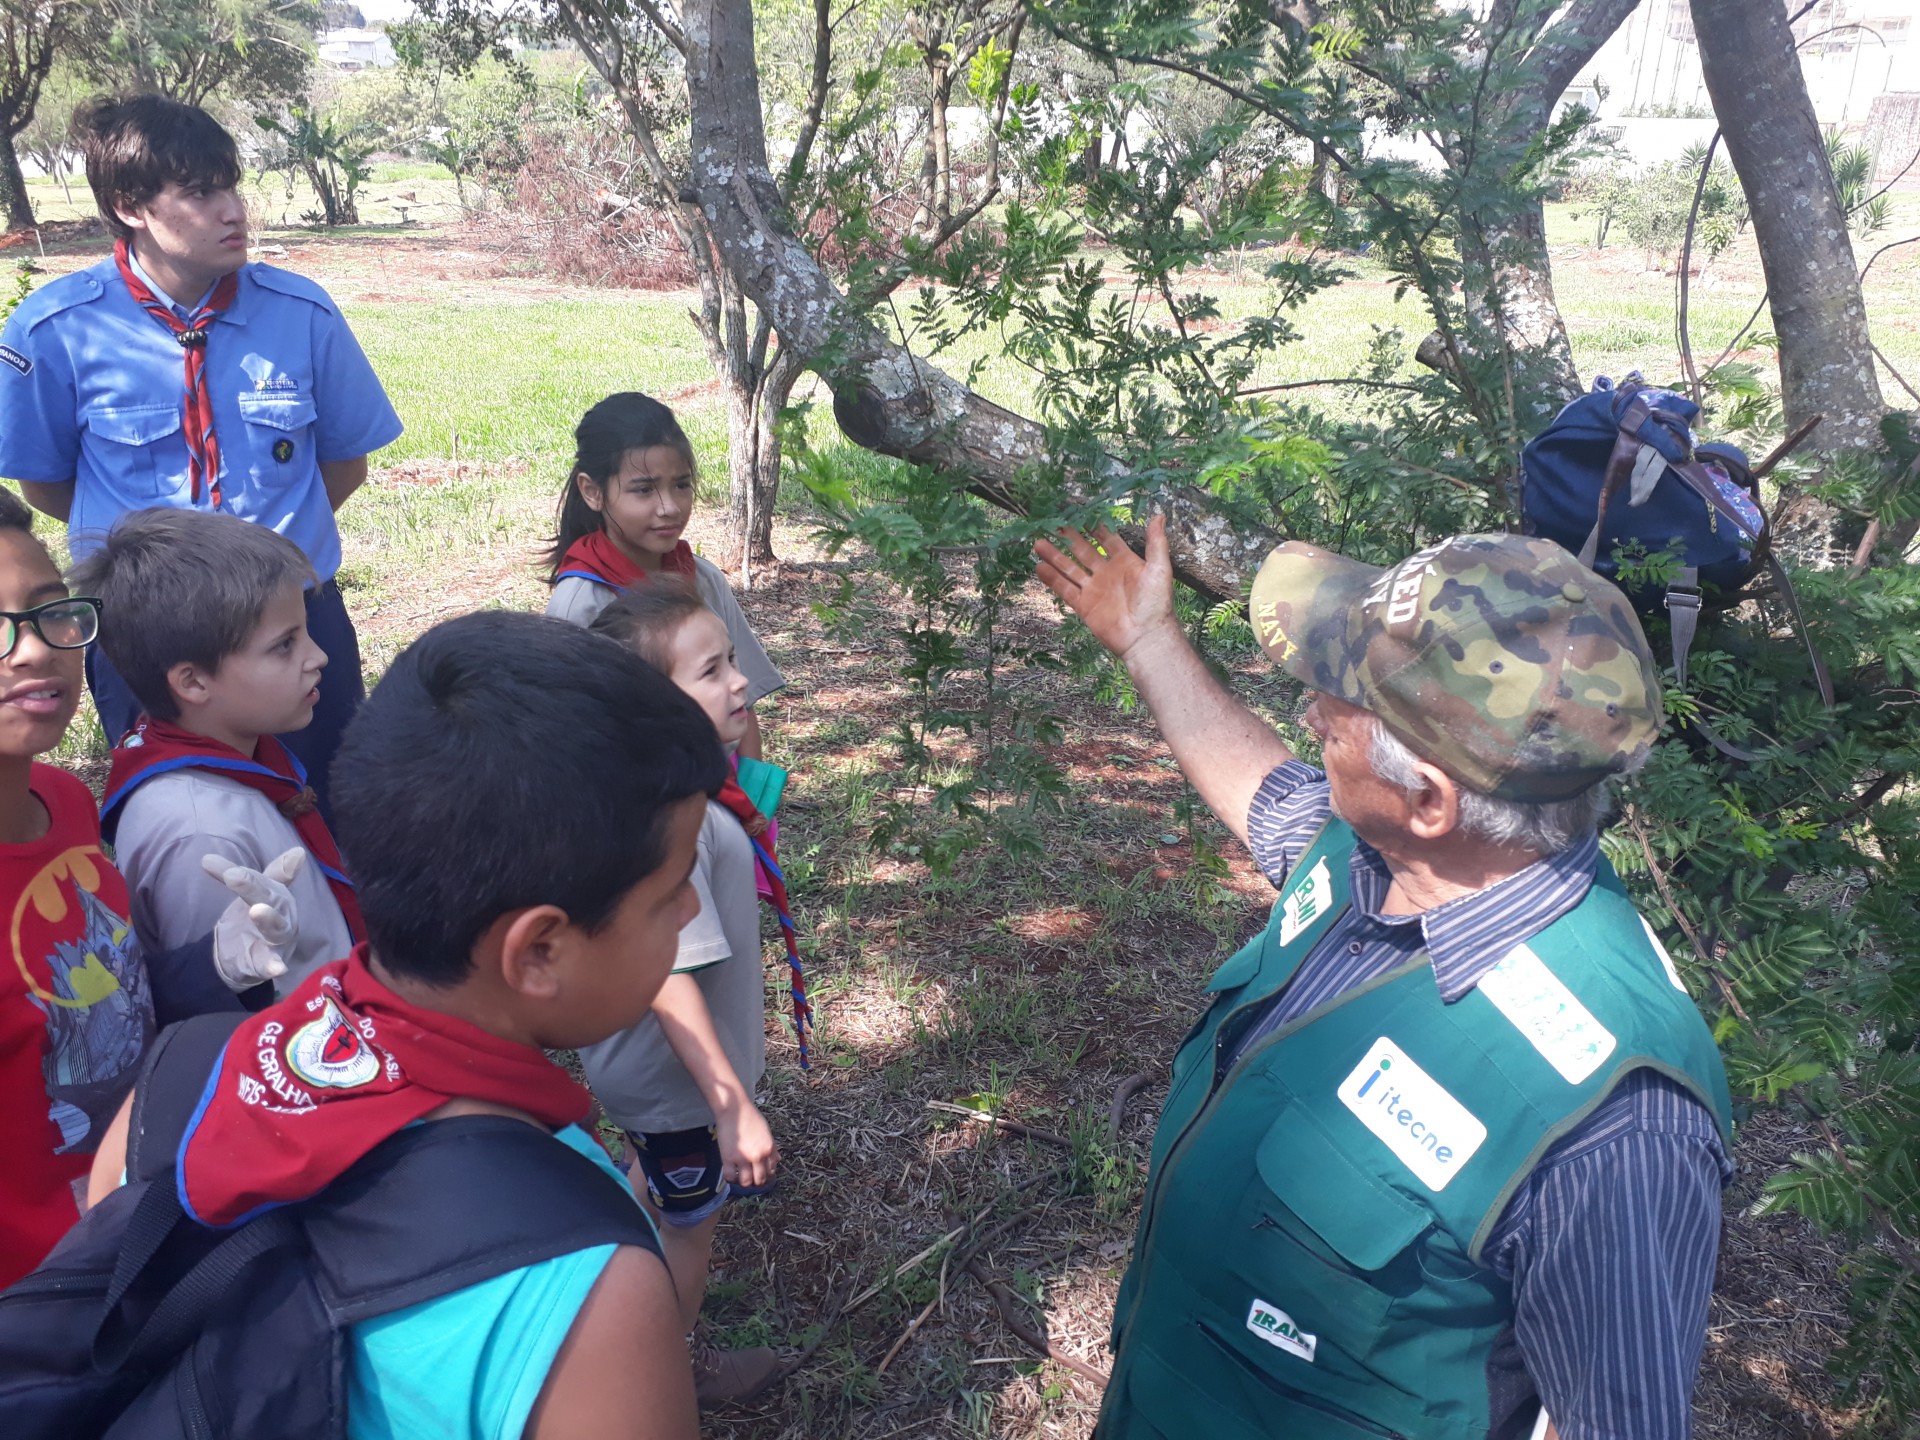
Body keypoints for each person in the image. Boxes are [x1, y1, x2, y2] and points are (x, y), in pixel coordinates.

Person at [1034, 521, 1734, 1440]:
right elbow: (1259, 788)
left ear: (1433, 798)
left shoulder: (1615, 1123)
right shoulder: (1374, 854)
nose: (1313, 711)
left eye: (1344, 696)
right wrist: (1150, 640)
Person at [87, 608, 721, 1440]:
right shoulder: (588, 1283)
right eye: (669, 889)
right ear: (537, 952)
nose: (692, 906)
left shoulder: (174, 1088)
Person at [0, 95, 402, 812]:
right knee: (181, 812)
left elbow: (343, 465)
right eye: (199, 192)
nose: (233, 210)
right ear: (130, 206)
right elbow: (46, 483)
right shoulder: (54, 330)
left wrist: (258, 564)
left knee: (336, 805)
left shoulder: (301, 314)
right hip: (144, 632)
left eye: (231, 186)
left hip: (294, 617)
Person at [0, 488, 297, 1287]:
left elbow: (107, 1001)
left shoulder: (63, 804)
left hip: (149, 1227)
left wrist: (219, 964)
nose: (32, 650)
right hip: (43, 1306)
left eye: (48, 611)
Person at [580, 585, 788, 1407]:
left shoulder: (664, 787)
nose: (738, 683)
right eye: (710, 671)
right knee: (691, 1225)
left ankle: (600, 1286)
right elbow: (671, 975)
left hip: (640, 1076)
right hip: (674, 1085)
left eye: (731, 661)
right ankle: (665, 1372)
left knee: (654, 1179)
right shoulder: (684, 820)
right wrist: (731, 1104)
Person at [75, 507, 360, 998]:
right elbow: (224, 1006)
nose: (318, 657)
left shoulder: (239, 753)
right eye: (284, 646)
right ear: (193, 681)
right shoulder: (201, 833)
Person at [544, 392, 782, 760]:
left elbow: (743, 705)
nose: (669, 507)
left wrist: (752, 801)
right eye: (643, 489)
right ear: (592, 491)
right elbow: (574, 743)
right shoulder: (580, 605)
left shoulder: (703, 578)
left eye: (682, 485)